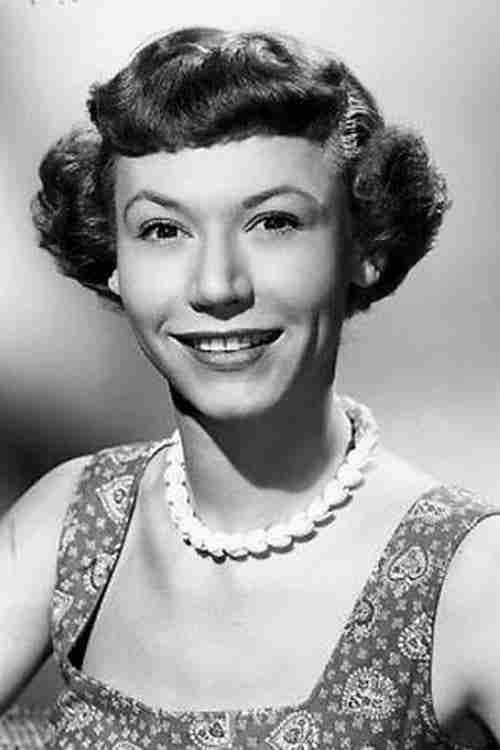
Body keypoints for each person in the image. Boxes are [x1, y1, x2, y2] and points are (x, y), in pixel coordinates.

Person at [1, 25, 499, 749]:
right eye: (163, 231)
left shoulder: (474, 579)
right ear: (112, 259)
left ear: (365, 245)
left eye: (274, 223)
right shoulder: (70, 524)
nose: (217, 286)